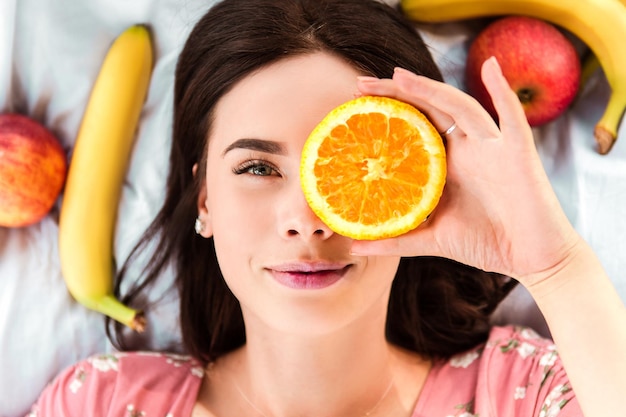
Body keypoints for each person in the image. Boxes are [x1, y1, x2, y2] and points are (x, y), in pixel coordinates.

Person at [28, 0, 626, 416]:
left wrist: (553, 266)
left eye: (349, 171)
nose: (306, 218)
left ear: (418, 186)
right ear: (205, 198)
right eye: (258, 168)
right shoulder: (98, 403)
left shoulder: (525, 393)